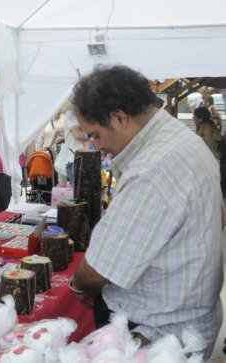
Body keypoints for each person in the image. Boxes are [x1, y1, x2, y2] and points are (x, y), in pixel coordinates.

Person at [69, 65, 223, 359]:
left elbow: (101, 267)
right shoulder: (179, 138)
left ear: (119, 117)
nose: (97, 146)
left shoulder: (153, 168)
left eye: (96, 135)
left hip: (159, 332)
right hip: (183, 322)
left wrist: (78, 284)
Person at [63, 108, 88, 183]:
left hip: (85, 159)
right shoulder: (71, 114)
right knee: (78, 193)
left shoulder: (85, 115)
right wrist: (96, 135)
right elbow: (77, 135)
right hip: (75, 160)